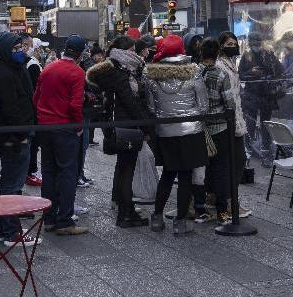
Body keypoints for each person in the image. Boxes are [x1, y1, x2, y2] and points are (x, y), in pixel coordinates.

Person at [142, 35, 208, 235]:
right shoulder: (194, 71)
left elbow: (151, 106)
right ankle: (180, 221)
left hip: (165, 130)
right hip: (191, 130)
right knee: (186, 175)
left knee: (168, 174)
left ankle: (156, 217)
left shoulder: (150, 73)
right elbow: (203, 105)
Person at [88, 35, 150, 227]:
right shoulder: (121, 72)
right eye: (132, 50)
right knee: (127, 169)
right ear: (125, 52)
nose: (135, 54)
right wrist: (145, 124)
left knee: (124, 168)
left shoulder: (113, 69)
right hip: (126, 126)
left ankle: (126, 208)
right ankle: (125, 213)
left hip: (119, 125)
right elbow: (129, 101)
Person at [0, 31, 38, 248]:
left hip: (17, 133)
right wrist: (21, 135)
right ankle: (9, 231)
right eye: (16, 49)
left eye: (22, 48)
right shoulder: (4, 73)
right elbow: (11, 109)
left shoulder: (14, 68)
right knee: (12, 185)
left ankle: (6, 227)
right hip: (14, 137)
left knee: (11, 182)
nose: (20, 52)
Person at [34, 34, 89, 235]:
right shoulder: (76, 72)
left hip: (45, 126)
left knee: (48, 172)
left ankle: (48, 218)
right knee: (67, 172)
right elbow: (76, 104)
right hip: (64, 127)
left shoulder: (48, 68)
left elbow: (36, 97)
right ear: (80, 54)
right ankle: (64, 220)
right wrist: (78, 124)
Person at [200, 39, 237, 223]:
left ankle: (201, 207)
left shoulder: (195, 73)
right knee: (221, 168)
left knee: (201, 167)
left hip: (199, 128)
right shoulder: (221, 75)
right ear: (216, 54)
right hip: (220, 126)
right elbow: (230, 103)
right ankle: (223, 211)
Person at [217, 32, 250, 218]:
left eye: (234, 43)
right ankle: (230, 202)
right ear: (221, 46)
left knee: (237, 161)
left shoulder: (231, 65)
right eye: (229, 43)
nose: (233, 46)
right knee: (234, 162)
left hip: (237, 119)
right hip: (229, 121)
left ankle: (231, 201)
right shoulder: (221, 66)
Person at [238, 32, 284, 162]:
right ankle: (249, 148)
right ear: (250, 43)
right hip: (252, 95)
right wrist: (251, 73)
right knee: (250, 122)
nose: (256, 45)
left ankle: (266, 149)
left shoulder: (268, 55)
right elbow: (240, 75)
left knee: (265, 124)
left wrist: (270, 78)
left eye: (258, 43)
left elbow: (280, 70)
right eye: (254, 43)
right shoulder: (246, 56)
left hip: (266, 95)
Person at [25, 40, 43, 188]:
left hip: (31, 109)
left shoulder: (32, 63)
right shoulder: (33, 65)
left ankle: (31, 170)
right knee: (33, 143)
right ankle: (31, 171)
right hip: (34, 110)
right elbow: (37, 89)